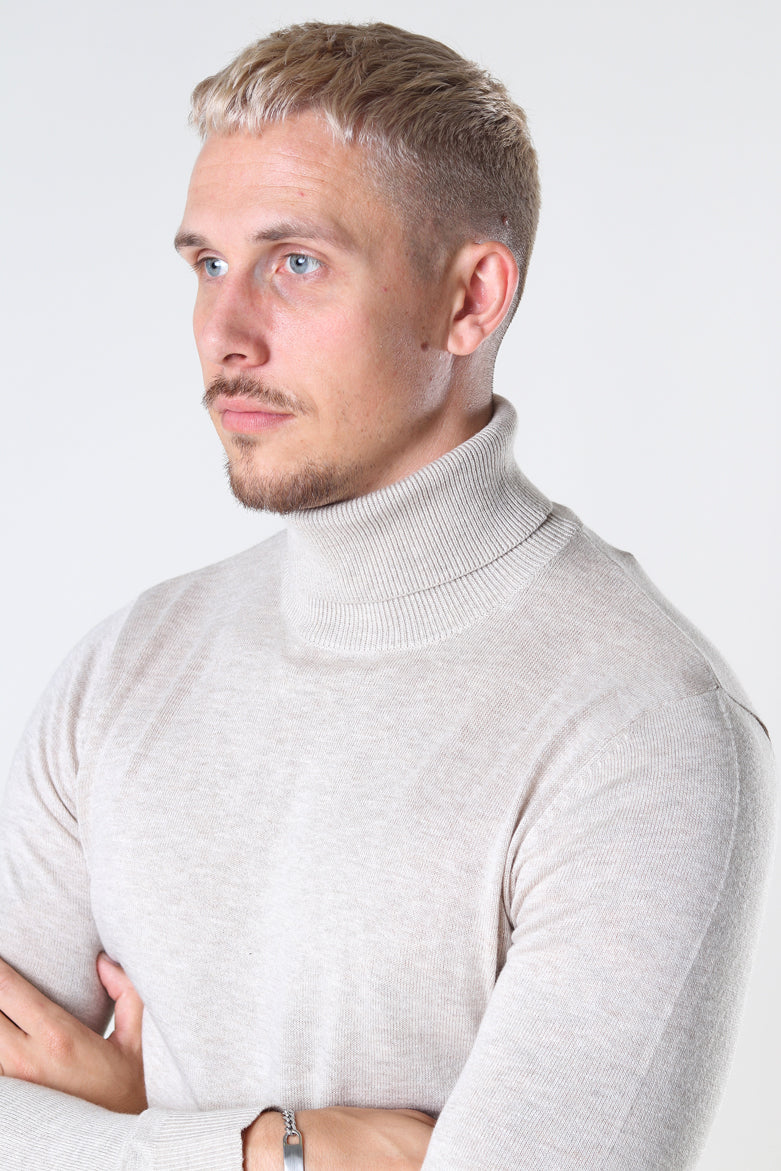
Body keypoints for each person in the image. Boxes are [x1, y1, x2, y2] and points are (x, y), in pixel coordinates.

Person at [0, 20, 774, 1171]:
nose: (224, 332)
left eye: (295, 263)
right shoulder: (125, 668)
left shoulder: (644, 724)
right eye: (207, 264)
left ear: (470, 299)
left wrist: (113, 1130)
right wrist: (258, 1151)